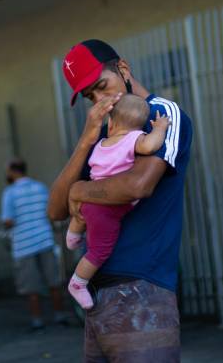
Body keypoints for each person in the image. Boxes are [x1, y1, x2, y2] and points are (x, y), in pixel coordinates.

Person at [48, 39, 192, 361]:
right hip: (96, 292)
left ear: (123, 69)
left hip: (143, 286)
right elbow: (56, 209)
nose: (102, 100)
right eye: (91, 96)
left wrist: (81, 191)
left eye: (102, 86)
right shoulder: (104, 131)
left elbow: (139, 186)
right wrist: (86, 140)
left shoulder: (161, 114)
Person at [66, 93, 170, 309]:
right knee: (99, 251)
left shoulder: (102, 143)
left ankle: (74, 232)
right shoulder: (134, 139)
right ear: (140, 126)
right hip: (109, 209)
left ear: (110, 123)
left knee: (82, 212)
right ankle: (78, 282)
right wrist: (159, 128)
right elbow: (150, 146)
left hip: (90, 198)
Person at [0, 158, 68, 331]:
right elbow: (50, 212)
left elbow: (7, 221)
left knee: (32, 287)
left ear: (12, 171)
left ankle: (37, 321)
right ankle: (60, 316)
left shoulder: (10, 193)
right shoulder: (40, 187)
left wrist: (6, 226)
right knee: (53, 282)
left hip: (24, 246)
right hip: (45, 240)